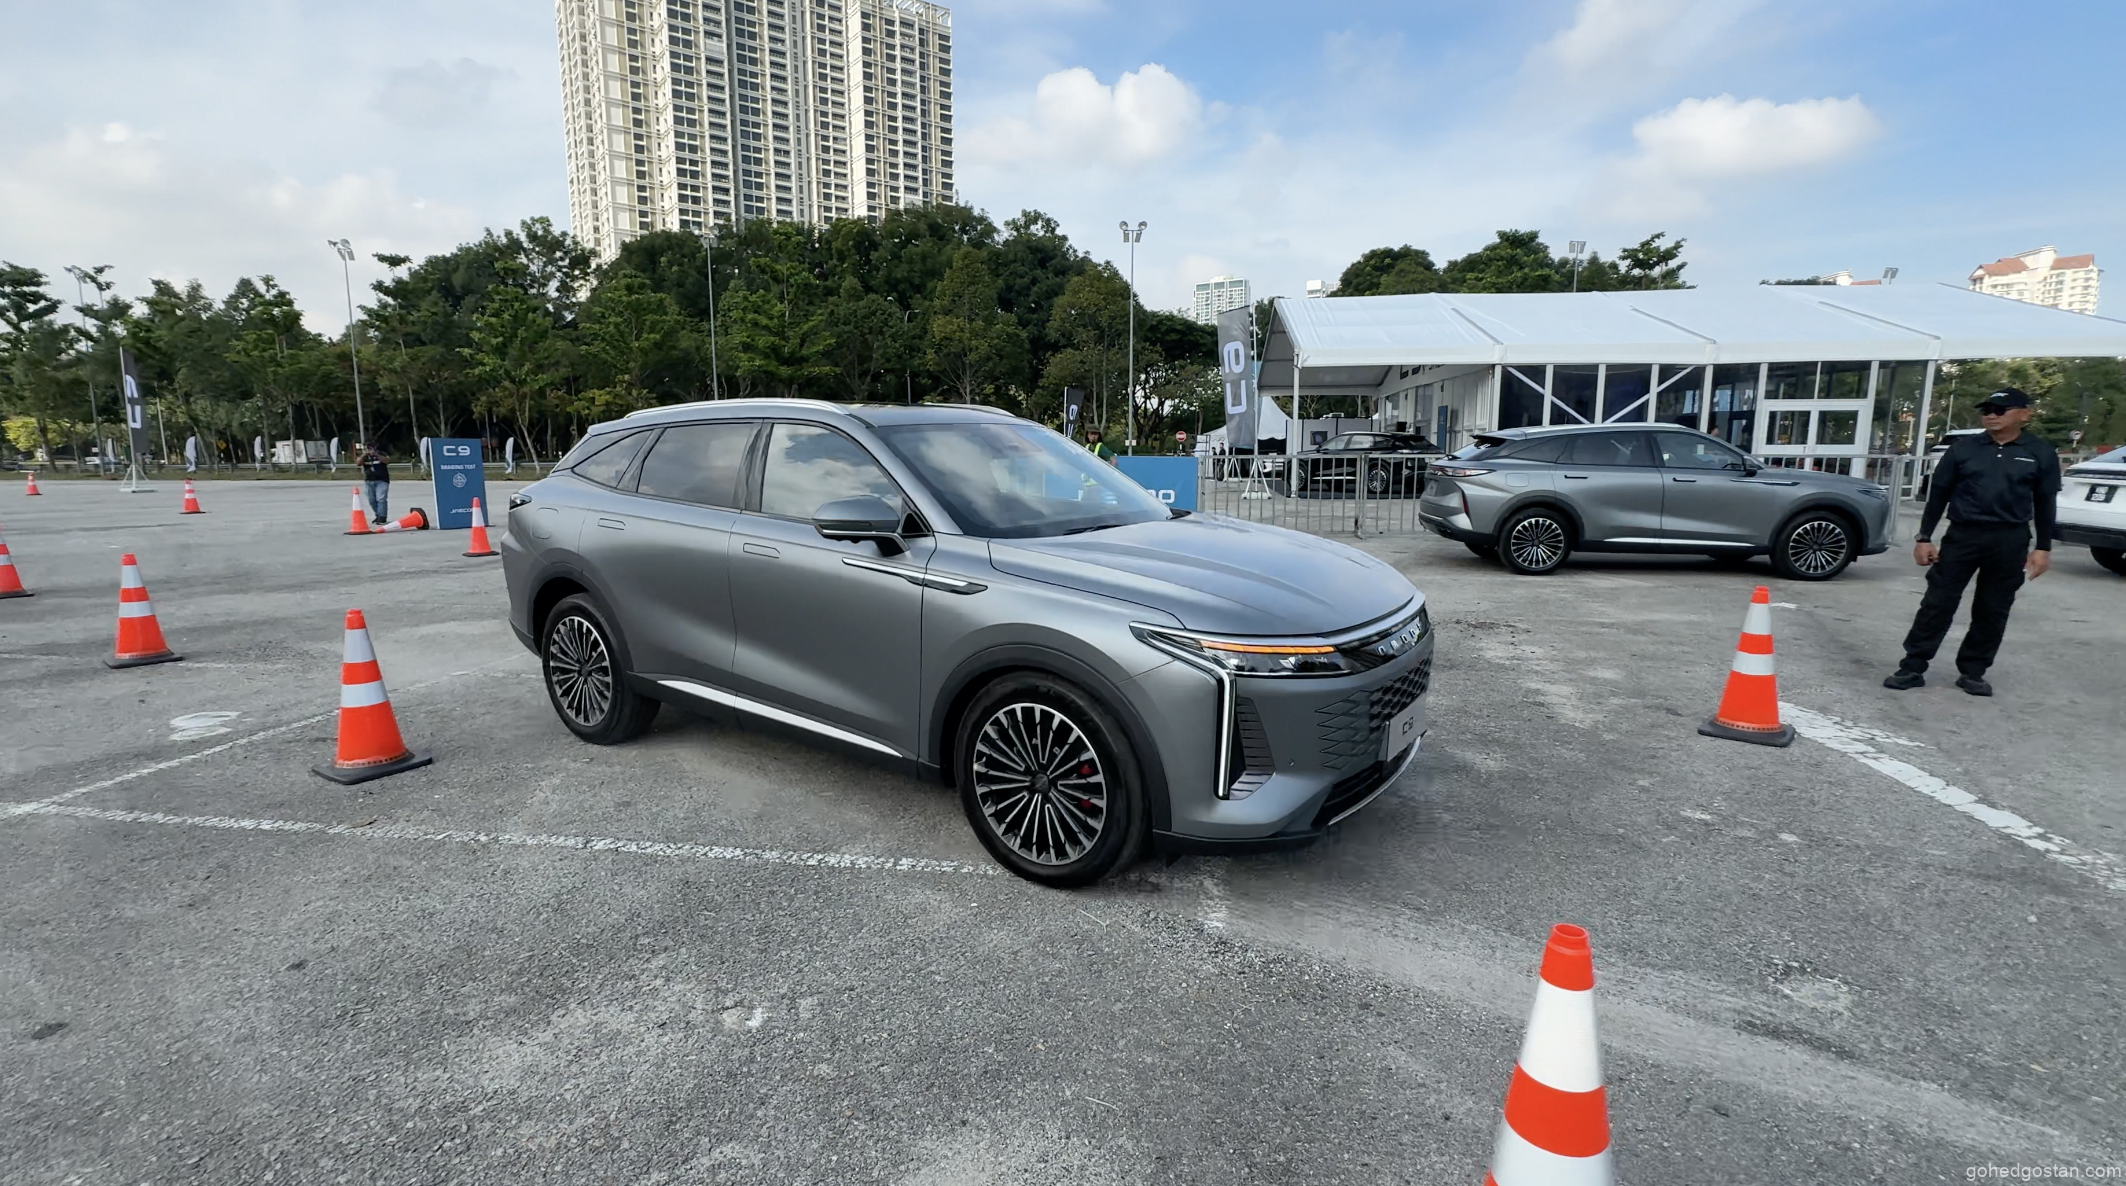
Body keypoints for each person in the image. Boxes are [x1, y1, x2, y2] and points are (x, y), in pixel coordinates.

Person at [1884, 387, 2059, 697]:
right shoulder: (1963, 449)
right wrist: (1924, 537)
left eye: (2000, 410)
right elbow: (1938, 494)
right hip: (1963, 536)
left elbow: (2045, 502)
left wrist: (2043, 547)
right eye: (1986, 410)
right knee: (1937, 603)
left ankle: (1973, 671)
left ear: (2024, 414)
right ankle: (1912, 667)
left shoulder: (2040, 452)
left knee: (1993, 608)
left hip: (2009, 539)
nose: (1991, 416)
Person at [357, 442, 391, 525]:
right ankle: (378, 515)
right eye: (367, 448)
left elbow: (387, 461)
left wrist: (376, 455)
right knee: (371, 500)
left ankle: (382, 517)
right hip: (369, 480)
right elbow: (358, 463)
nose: (369, 450)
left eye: (371, 448)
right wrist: (364, 455)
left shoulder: (381, 453)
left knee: (381, 499)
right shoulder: (364, 456)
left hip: (382, 480)